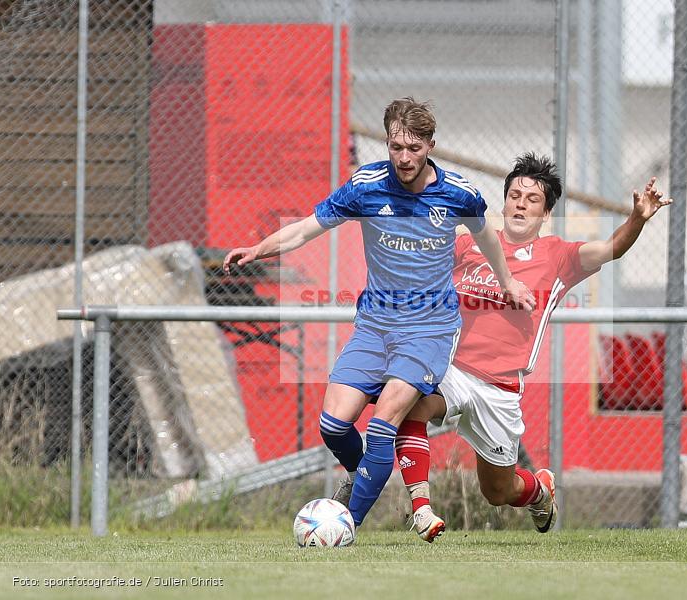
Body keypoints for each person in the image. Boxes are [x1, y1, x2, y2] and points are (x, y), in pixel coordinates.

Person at [223, 98, 534, 530]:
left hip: (429, 329)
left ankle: (345, 524)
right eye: (395, 147)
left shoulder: (458, 193)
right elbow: (306, 227)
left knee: (385, 418)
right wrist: (259, 248)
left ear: (430, 145)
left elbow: (487, 238)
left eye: (413, 148)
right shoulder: (366, 186)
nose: (404, 158)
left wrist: (507, 283)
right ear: (387, 143)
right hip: (374, 326)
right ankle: (363, 473)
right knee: (333, 425)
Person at [395, 153, 672, 541]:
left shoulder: (558, 256)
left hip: (500, 390)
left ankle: (540, 491)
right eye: (514, 195)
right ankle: (422, 511)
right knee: (410, 404)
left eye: (532, 198)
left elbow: (612, 248)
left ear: (545, 214)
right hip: (453, 371)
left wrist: (638, 219)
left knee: (498, 492)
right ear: (503, 202)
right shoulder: (469, 245)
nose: (520, 203)